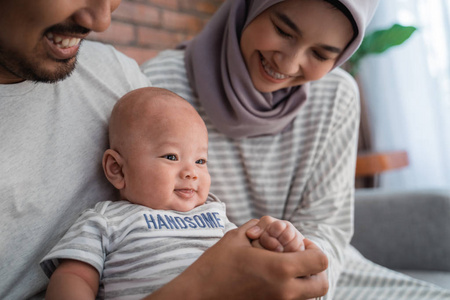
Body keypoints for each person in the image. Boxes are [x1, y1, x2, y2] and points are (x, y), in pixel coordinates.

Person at [141, 0, 450, 299]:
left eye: (320, 53)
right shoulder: (156, 89)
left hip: (322, 280)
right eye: (284, 31)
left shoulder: (335, 96)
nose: (287, 64)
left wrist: (304, 276)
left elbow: (326, 225)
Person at [41, 87, 306, 299]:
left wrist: (274, 243)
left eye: (200, 161)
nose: (192, 173)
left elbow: (247, 259)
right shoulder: (107, 220)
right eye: (171, 156)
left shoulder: (214, 213)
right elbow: (74, 277)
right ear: (117, 170)